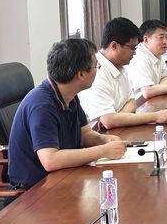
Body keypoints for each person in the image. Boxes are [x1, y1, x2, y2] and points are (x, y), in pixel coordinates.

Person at [7, 38, 127, 190]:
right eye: (96, 66)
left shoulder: (69, 94)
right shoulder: (42, 106)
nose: (97, 70)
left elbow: (84, 134)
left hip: (62, 177)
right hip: (33, 191)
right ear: (81, 74)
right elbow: (50, 160)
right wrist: (103, 151)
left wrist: (104, 140)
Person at [79, 17, 167, 130]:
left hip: (118, 128)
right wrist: (155, 116)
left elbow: (132, 102)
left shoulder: (121, 66)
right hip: (98, 134)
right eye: (132, 48)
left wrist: (117, 118)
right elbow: (108, 121)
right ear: (114, 46)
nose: (135, 53)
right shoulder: (96, 70)